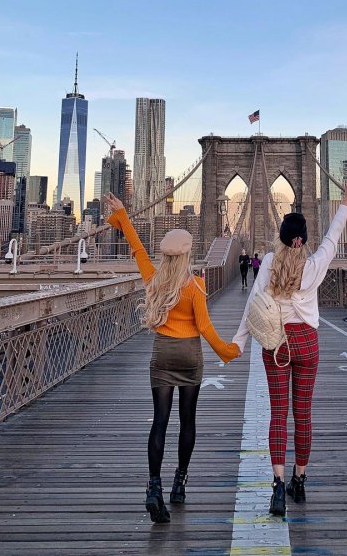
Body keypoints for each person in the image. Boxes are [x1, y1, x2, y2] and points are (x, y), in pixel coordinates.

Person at [104, 192, 240, 523]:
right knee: (188, 421)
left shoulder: (154, 279)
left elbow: (137, 248)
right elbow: (205, 328)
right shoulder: (194, 286)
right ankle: (180, 483)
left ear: (165, 255)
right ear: (188, 253)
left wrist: (122, 216)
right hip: (189, 355)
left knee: (160, 422)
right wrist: (228, 351)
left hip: (162, 353)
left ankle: (154, 487)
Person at [232, 177, 347, 516]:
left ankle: (277, 489)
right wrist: (346, 199)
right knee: (303, 415)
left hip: (277, 346)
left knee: (278, 416)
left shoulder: (269, 262)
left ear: (283, 237)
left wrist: (238, 342)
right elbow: (333, 236)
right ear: (304, 239)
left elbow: (253, 304)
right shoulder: (314, 265)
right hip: (308, 345)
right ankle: (300, 481)